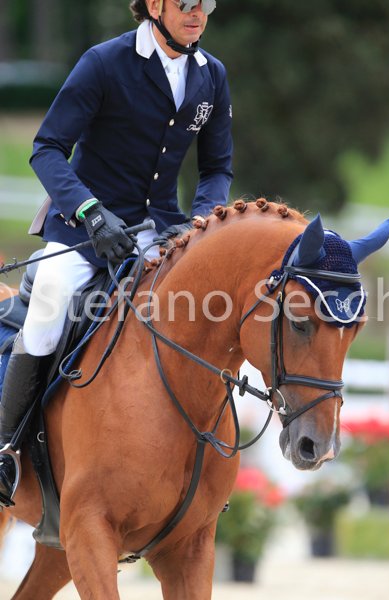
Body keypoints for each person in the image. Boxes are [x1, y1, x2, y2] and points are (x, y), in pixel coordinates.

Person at [0, 0, 233, 507]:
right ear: (154, 5)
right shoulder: (104, 62)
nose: (198, 13)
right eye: (186, 3)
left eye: (207, 3)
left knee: (213, 311)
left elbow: (217, 168)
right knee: (48, 311)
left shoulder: (211, 74)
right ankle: (7, 450)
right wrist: (90, 212)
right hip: (83, 230)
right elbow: (47, 148)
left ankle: (205, 464)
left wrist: (205, 220)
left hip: (161, 230)